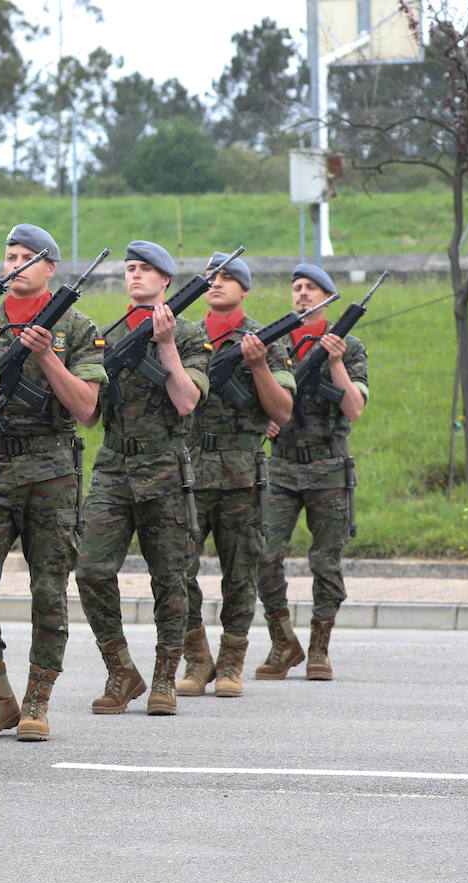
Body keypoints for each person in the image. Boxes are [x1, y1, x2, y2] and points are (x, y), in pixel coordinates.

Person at [0, 224, 103, 742]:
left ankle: (38, 697)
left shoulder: (77, 326)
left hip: (51, 471)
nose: (15, 265)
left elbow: (87, 409)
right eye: (9, 256)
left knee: (49, 588)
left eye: (27, 257)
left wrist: (45, 356)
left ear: (50, 269)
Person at [75, 240, 211, 716]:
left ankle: (163, 678)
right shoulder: (107, 336)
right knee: (90, 569)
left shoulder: (191, 335)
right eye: (130, 269)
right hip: (113, 467)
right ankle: (119, 669)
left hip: (165, 468)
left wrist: (167, 344)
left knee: (170, 579)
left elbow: (187, 400)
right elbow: (90, 416)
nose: (135, 276)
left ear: (166, 281)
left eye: (145, 270)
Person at [177, 253, 294, 699]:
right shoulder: (183, 336)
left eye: (228, 277)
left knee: (241, 573)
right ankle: (197, 659)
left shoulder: (264, 339)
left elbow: (282, 410)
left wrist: (260, 365)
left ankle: (230, 663)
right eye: (212, 277)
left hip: (242, 473)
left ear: (245, 289)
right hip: (188, 474)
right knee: (178, 571)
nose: (217, 283)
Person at [256, 264, 368, 681]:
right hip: (281, 465)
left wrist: (335, 362)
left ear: (328, 296)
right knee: (264, 556)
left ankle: (320, 647)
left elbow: (354, 407)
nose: (302, 294)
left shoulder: (350, 347)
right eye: (297, 288)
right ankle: (283, 642)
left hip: (328, 467)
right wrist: (265, 418)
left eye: (312, 288)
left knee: (325, 561)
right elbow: (259, 396)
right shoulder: (276, 342)